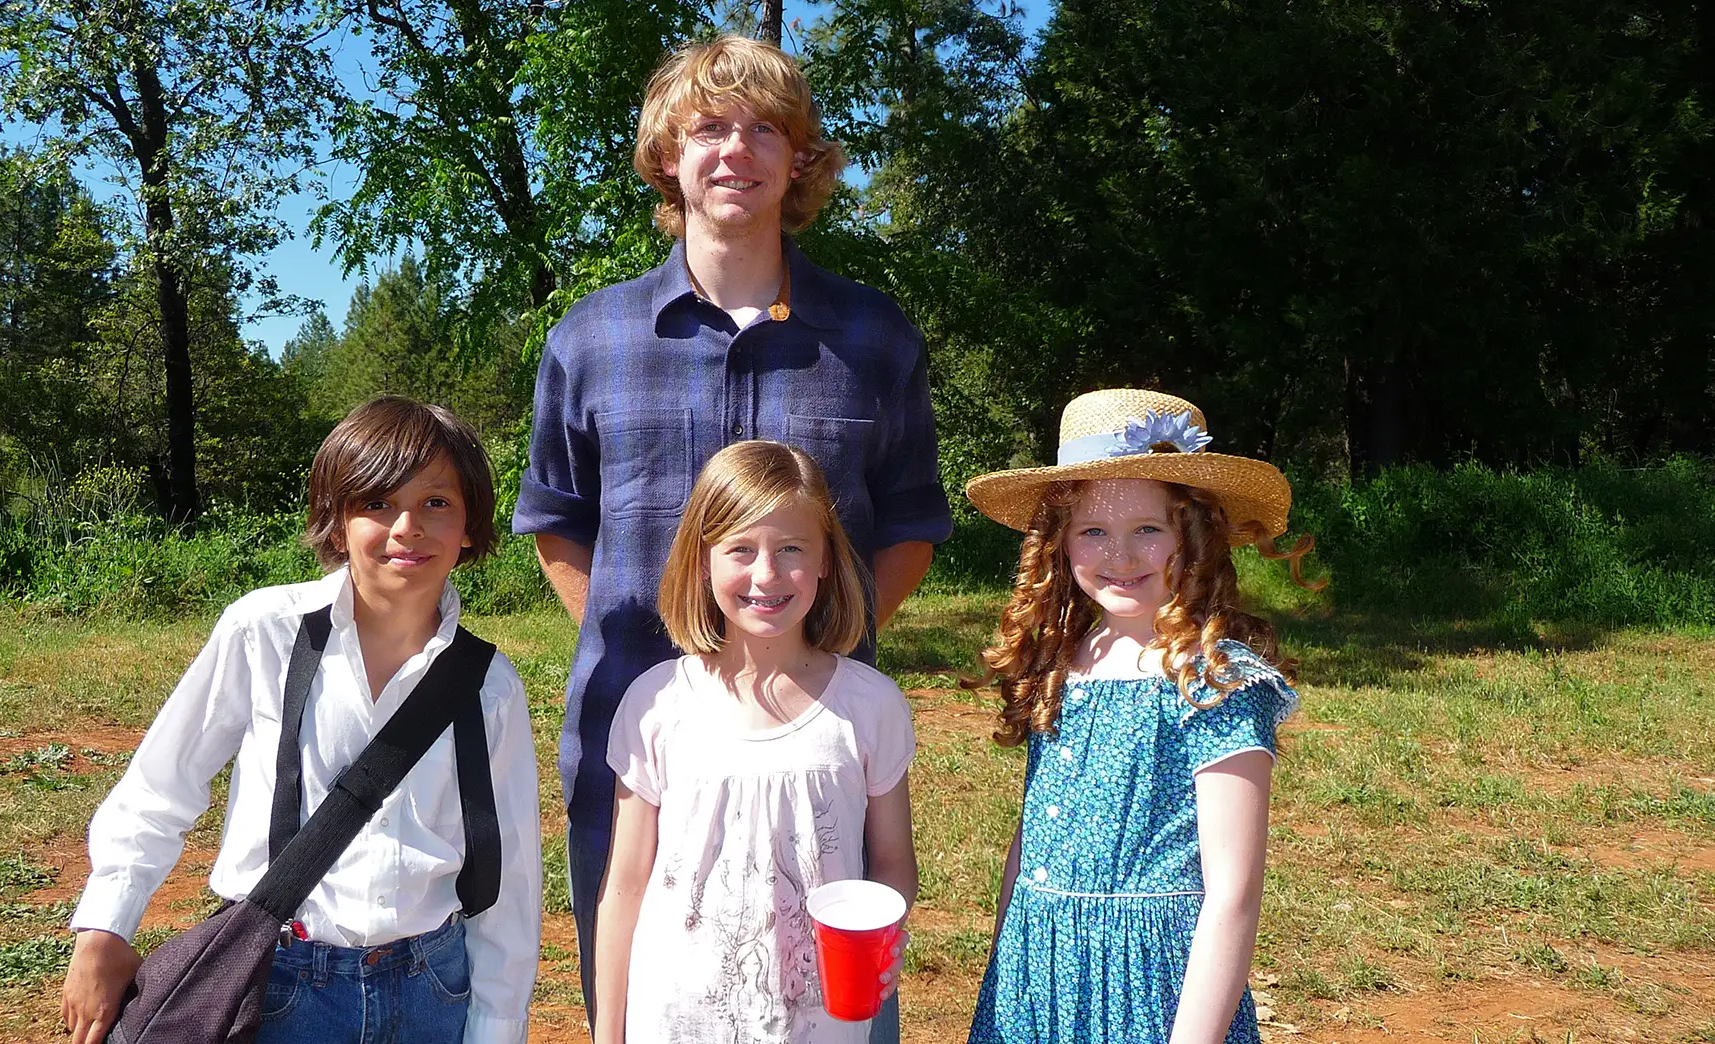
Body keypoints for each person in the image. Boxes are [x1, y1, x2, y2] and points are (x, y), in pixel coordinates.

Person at [511, 34, 952, 1033]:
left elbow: (913, 523)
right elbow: (553, 525)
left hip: (818, 762)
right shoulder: (590, 339)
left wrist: (809, 649)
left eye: (765, 129)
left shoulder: (874, 337)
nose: (734, 149)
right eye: (707, 126)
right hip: (636, 749)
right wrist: (685, 662)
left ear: (799, 159)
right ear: (666, 155)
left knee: (826, 1008)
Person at [60, 397, 542, 1044]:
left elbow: (509, 883)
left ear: (470, 527)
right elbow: (161, 785)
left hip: (433, 987)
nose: (406, 526)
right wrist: (105, 925)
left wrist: (497, 1027)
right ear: (337, 522)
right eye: (376, 503)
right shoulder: (265, 633)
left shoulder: (491, 685)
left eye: (436, 502)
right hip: (282, 985)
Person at [959, 389, 1322, 1044]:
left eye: (1148, 530)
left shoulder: (1215, 680)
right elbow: (1031, 839)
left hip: (1152, 993)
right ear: (1059, 544)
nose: (1119, 556)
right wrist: (1004, 977)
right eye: (1093, 530)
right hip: (1038, 980)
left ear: (1197, 537)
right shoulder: (1064, 660)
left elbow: (1232, 894)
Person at [591, 441, 918, 1043]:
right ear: (702, 560)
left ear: (826, 560)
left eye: (791, 549)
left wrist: (884, 938)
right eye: (740, 549)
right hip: (675, 1022)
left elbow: (893, 862)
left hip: (820, 1026)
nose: (766, 574)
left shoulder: (870, 707)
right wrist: (608, 1034)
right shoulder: (655, 704)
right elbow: (625, 884)